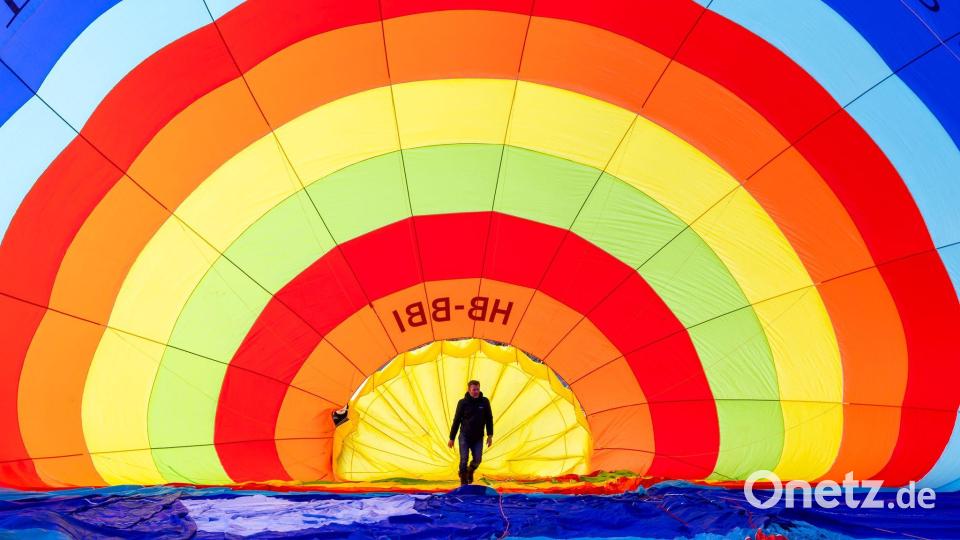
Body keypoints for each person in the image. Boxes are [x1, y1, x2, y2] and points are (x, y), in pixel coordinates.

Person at [447, 380, 493, 485]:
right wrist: (451, 438)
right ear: (469, 390)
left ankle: (470, 470)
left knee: (478, 459)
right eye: (474, 389)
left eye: (477, 389)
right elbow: (456, 420)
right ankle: (463, 480)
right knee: (464, 459)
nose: (476, 391)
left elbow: (489, 418)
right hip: (465, 436)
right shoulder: (462, 403)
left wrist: (490, 435)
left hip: (478, 437)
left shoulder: (484, 402)